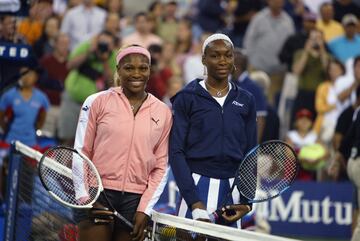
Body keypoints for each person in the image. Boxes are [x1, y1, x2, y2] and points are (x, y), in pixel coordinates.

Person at [73, 45, 172, 241]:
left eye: (143, 68)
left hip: (135, 201)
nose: (136, 73)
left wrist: (144, 209)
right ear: (118, 70)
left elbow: (161, 166)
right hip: (97, 193)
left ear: (150, 71)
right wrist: (87, 199)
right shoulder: (96, 101)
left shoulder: (163, 111)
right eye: (129, 68)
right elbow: (81, 152)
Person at [169, 33, 257, 228]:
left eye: (228, 55)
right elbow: (176, 151)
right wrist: (193, 201)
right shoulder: (187, 97)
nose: (222, 60)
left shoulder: (246, 99)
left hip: (233, 190)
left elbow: (251, 154)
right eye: (215, 55)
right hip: (195, 186)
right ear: (203, 60)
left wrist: (246, 202)